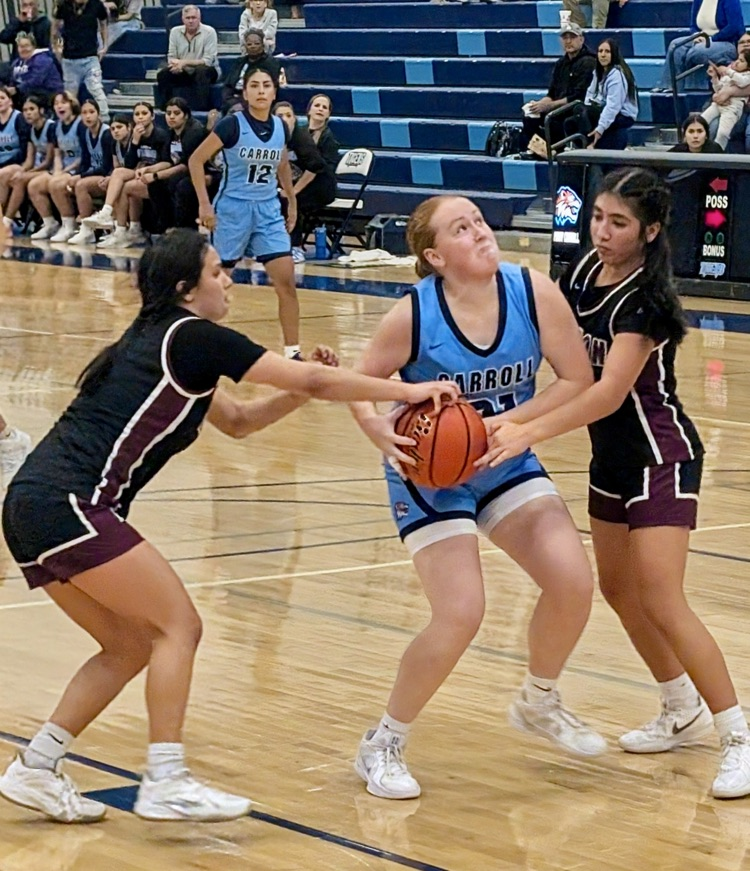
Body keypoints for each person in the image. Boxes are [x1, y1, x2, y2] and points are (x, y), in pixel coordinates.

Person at [0, 228, 458, 824]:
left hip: (36, 506)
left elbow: (240, 421)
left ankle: (36, 766)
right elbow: (315, 381)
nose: (230, 281)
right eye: (218, 272)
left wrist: (300, 395)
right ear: (188, 288)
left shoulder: (162, 340)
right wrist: (410, 388)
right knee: (178, 627)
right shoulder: (193, 336)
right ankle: (165, 778)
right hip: (68, 503)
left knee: (130, 644)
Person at [481, 167, 750, 800]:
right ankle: (678, 707)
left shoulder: (647, 301)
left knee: (661, 595)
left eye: (619, 223)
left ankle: (737, 735)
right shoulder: (579, 277)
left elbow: (605, 393)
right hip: (611, 461)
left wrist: (527, 433)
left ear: (650, 231)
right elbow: (562, 364)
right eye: (598, 217)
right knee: (621, 591)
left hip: (661, 455)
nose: (602, 231)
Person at [349, 194, 607, 801]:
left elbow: (578, 379)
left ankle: (539, 701)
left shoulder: (532, 290)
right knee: (462, 612)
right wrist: (376, 427)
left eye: (479, 221)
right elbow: (361, 385)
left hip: (502, 456)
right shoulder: (414, 314)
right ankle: (382, 742)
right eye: (461, 229)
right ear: (436, 256)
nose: (480, 231)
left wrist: (512, 423)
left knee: (572, 582)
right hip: (429, 471)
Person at [189, 68, 302, 360]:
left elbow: (282, 165)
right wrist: (204, 204)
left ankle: (293, 352)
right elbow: (196, 160)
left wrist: (291, 198)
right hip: (233, 210)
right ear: (245, 92)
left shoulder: (281, 127)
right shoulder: (231, 125)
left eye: (267, 85)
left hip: (268, 211)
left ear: (275, 92)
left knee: (286, 281)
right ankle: (199, 344)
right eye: (255, 85)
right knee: (218, 281)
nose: (261, 90)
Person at [83, 100, 170, 247]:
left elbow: (167, 163)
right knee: (119, 179)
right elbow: (129, 164)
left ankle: (114, 220)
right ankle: (124, 229)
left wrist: (149, 169)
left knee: (122, 183)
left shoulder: (160, 135)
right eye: (137, 114)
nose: (140, 117)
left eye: (144, 113)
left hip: (158, 179)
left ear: (153, 116)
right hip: (140, 175)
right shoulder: (136, 136)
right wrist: (135, 141)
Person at [132, 97, 208, 234]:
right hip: (181, 171)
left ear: (186, 116)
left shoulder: (194, 132)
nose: (171, 117)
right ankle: (164, 228)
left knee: (181, 186)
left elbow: (186, 165)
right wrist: (147, 169)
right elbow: (167, 161)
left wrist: (155, 175)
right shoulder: (171, 133)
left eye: (176, 113)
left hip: (201, 173)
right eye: (168, 113)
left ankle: (184, 230)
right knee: (156, 185)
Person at [274, 100, 336, 263]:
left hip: (320, 185)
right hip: (296, 182)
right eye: (280, 116)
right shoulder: (271, 137)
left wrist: (292, 192)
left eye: (288, 115)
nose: (285, 119)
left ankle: (295, 247)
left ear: (295, 119)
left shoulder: (300, 137)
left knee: (291, 201)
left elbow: (315, 168)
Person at [517, 23, 595, 153]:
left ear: (581, 39)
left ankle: (552, 150)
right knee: (529, 115)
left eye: (572, 37)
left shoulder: (588, 62)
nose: (568, 41)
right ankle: (537, 150)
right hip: (557, 106)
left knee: (553, 118)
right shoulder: (561, 64)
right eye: (565, 38)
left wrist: (549, 106)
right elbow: (551, 93)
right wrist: (539, 104)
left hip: (575, 107)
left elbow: (577, 97)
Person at [44, 97, 108, 242]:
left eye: (91, 112)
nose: (88, 116)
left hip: (106, 174)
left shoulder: (106, 133)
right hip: (92, 172)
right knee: (62, 184)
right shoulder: (87, 133)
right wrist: (79, 174)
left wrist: (80, 175)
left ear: (99, 114)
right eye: (84, 113)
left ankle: (87, 228)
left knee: (80, 185)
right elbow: (86, 160)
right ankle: (68, 224)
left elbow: (106, 166)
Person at [653, 0, 745, 93]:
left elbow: (733, 27)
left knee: (698, 51)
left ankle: (687, 62)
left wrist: (711, 39)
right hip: (701, 38)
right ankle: (670, 86)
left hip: (725, 41)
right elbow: (693, 25)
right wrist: (696, 35)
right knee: (675, 45)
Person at [68, 111, 130, 244]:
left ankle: (115, 224)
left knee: (118, 182)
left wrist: (109, 176)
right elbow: (115, 166)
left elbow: (113, 167)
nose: (116, 131)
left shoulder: (116, 138)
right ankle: (85, 229)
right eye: (113, 128)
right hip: (113, 175)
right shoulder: (115, 143)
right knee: (80, 185)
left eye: (119, 127)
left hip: (127, 175)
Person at [565, 38, 638, 150]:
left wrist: (600, 129)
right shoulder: (598, 72)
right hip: (603, 108)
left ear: (614, 54)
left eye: (607, 52)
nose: (603, 55)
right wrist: (587, 109)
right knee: (569, 122)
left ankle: (590, 143)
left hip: (623, 116)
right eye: (600, 51)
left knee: (580, 109)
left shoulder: (617, 75)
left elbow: (613, 106)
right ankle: (583, 148)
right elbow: (590, 94)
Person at [28, 90, 81, 240]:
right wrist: (58, 171)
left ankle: (69, 225)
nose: (59, 106)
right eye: (56, 103)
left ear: (71, 104)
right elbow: (58, 154)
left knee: (56, 185)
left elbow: (85, 155)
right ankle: (50, 223)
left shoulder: (81, 124)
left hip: (79, 168)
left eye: (63, 102)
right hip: (64, 168)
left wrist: (66, 171)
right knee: (34, 185)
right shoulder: (56, 127)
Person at [52, 0, 110, 122]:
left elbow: (104, 24)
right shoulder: (64, 6)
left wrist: (105, 46)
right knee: (70, 97)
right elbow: (55, 29)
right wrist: (56, 48)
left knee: (97, 90)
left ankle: (105, 120)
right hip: (69, 59)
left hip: (90, 57)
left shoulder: (96, 5)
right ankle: (70, 124)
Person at [156, 5, 221, 112]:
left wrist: (183, 62)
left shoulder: (209, 32)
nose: (191, 21)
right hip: (183, 71)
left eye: (194, 18)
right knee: (163, 74)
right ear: (183, 19)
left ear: (199, 18)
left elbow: (207, 61)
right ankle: (167, 108)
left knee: (201, 71)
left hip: (208, 70)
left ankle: (202, 109)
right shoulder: (175, 32)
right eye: (188, 18)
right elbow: (171, 56)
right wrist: (177, 66)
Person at [3, 95, 53, 228]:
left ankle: (7, 221)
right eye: (25, 110)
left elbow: (48, 161)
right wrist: (22, 170)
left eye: (32, 109)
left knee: (20, 180)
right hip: (40, 169)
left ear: (41, 110)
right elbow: (29, 161)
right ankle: (3, 216)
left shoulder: (51, 127)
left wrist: (25, 174)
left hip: (52, 169)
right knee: (13, 176)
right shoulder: (31, 130)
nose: (28, 113)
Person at [221, 28, 284, 114]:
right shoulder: (239, 62)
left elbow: (271, 88)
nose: (253, 46)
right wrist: (231, 101)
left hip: (256, 101)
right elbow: (228, 86)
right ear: (245, 46)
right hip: (234, 102)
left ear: (262, 45)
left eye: (256, 43)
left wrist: (244, 104)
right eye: (249, 44)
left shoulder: (271, 63)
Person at [701, 50, 750, 148]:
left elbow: (742, 82)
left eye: (741, 60)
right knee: (701, 121)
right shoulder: (731, 73)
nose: (736, 62)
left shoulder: (746, 75)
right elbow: (719, 89)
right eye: (737, 59)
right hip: (717, 105)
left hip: (732, 108)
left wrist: (728, 71)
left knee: (723, 133)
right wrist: (714, 78)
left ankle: (717, 152)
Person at [9, 32, 63, 105]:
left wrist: (17, 89)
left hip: (48, 94)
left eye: (26, 46)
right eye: (21, 46)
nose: (24, 49)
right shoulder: (16, 63)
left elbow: (36, 81)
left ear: (33, 47)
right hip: (26, 95)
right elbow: (12, 81)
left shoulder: (42, 59)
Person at [0, 86, 29, 213]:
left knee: (2, 174)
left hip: (18, 163)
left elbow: (24, 150)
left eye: (2, 98)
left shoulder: (19, 118)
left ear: (10, 101)